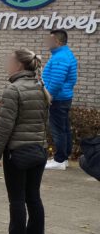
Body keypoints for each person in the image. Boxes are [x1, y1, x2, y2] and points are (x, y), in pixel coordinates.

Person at [0, 49, 49, 234]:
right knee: (33, 197)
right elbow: (45, 121)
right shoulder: (41, 87)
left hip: (18, 153)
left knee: (17, 198)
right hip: (39, 150)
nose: (7, 64)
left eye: (10, 61)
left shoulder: (13, 90)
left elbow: (5, 126)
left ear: (19, 65)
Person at [41, 30, 77, 170]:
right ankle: (64, 158)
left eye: (50, 40)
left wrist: (48, 96)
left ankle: (59, 160)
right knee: (64, 129)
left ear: (57, 41)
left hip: (58, 99)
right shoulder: (64, 54)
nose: (47, 42)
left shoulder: (60, 57)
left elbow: (57, 81)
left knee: (58, 130)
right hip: (63, 98)